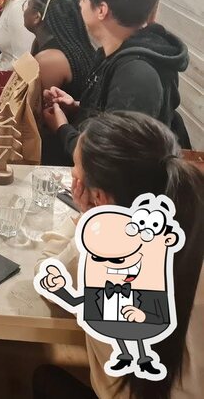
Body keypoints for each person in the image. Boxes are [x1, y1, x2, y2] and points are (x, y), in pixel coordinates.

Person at [33, 111, 203, 399]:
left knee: (44, 378)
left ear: (99, 197)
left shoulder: (100, 259)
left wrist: (87, 219)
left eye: (74, 175)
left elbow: (47, 273)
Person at [42, 0, 190, 164]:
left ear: (102, 10)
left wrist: (62, 128)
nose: (79, 5)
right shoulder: (112, 53)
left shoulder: (137, 75)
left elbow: (110, 161)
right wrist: (77, 107)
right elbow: (114, 116)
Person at [23, 0, 96, 100]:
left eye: (27, 5)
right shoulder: (41, 44)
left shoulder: (49, 59)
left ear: (37, 16)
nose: (24, 10)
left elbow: (32, 112)